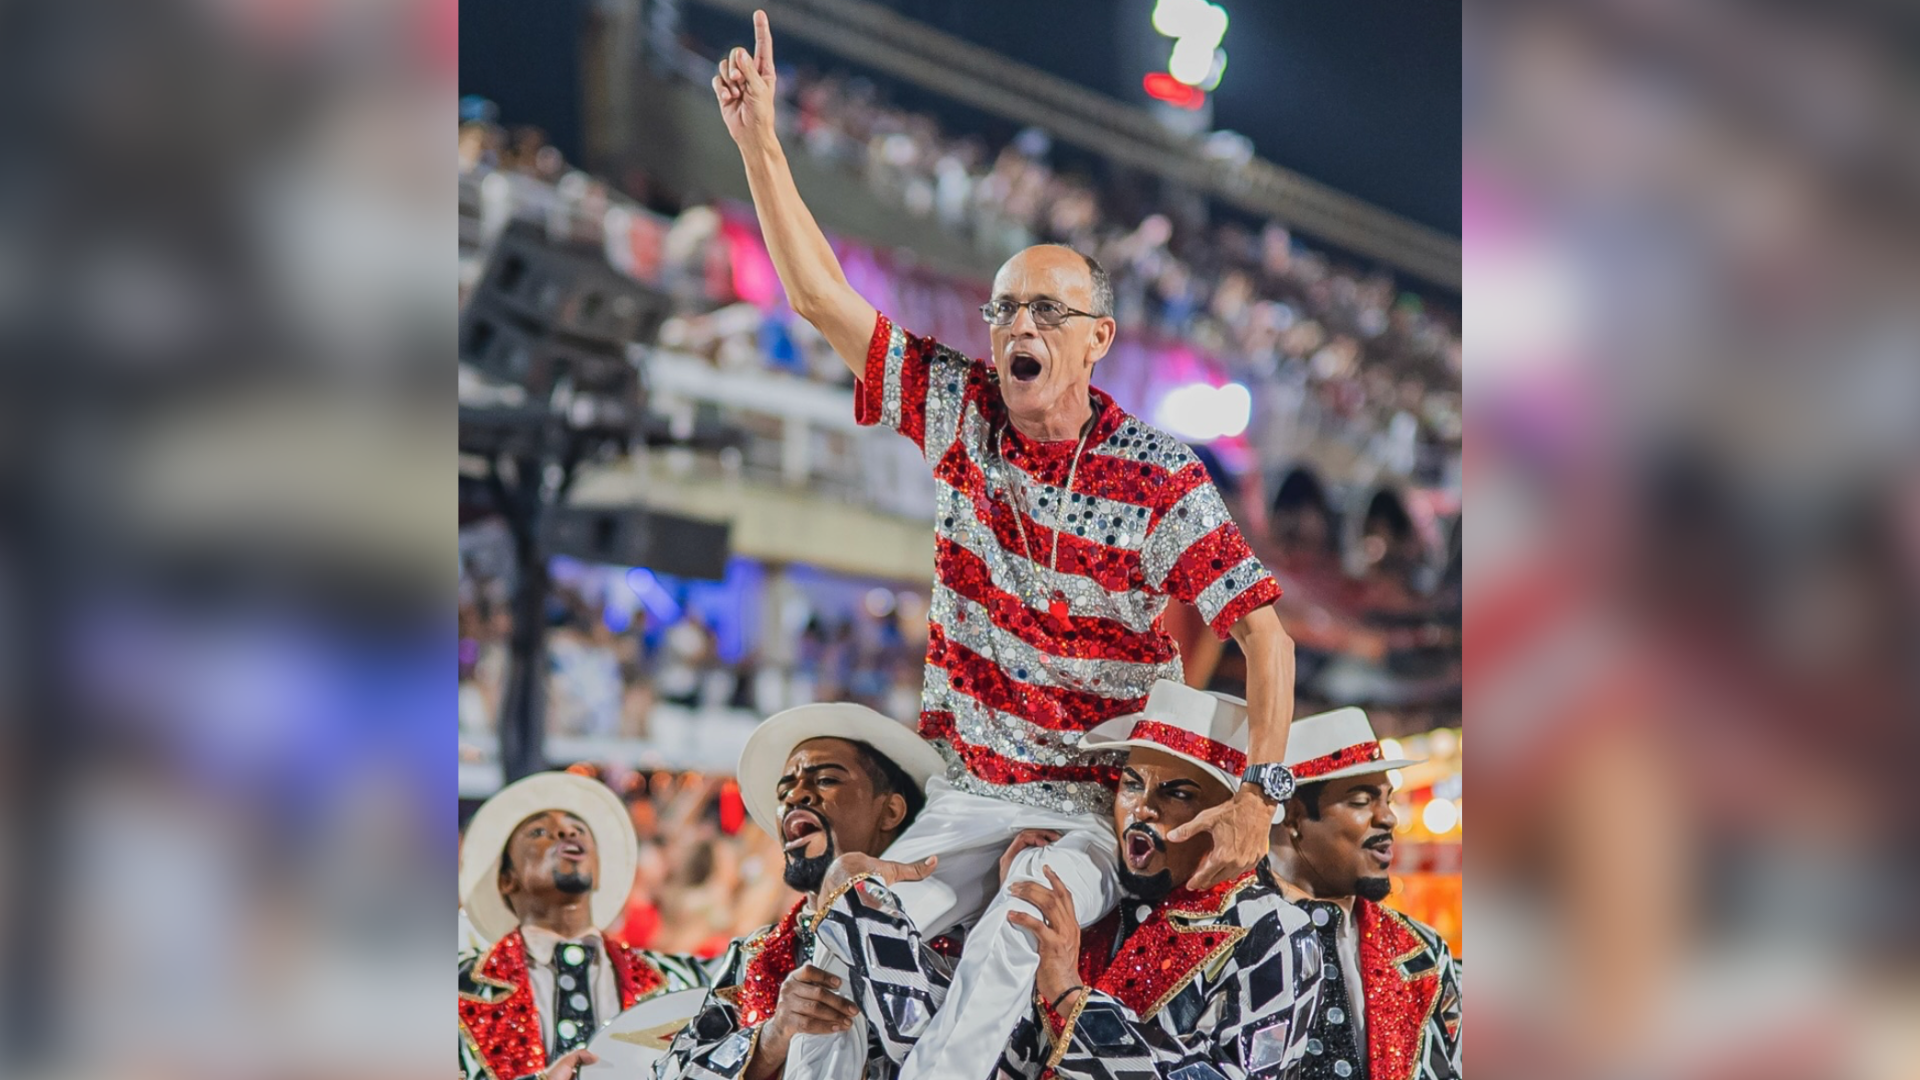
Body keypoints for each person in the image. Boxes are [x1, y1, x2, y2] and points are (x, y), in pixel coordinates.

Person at [712, 15, 1302, 1080]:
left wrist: (1262, 793)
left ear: (1097, 339)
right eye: (1004, 308)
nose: (1018, 325)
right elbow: (817, 295)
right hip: (967, 787)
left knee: (1015, 932)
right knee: (848, 925)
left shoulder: (1158, 474)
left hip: (1084, 806)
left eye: (1046, 310)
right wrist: (761, 145)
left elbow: (1265, 634)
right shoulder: (960, 409)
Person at [807, 680, 1325, 1078]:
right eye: (1131, 785)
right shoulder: (1097, 904)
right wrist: (865, 903)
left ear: (1227, 816)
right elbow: (959, 1043)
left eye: (1178, 794)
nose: (1142, 808)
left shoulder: (1276, 929)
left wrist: (1072, 1000)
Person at [656, 702, 953, 1080]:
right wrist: (772, 1037)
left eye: (826, 780)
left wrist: (851, 891)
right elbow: (671, 1073)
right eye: (784, 790)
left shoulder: (945, 932)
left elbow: (949, 1050)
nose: (795, 796)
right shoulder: (753, 956)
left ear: (891, 811)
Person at [458, 772, 716, 1080]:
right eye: (539, 832)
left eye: (578, 830)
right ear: (506, 879)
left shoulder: (682, 980)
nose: (566, 833)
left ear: (597, 870)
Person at [1269, 708, 1462, 1080]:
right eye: (1361, 801)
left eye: (1388, 800)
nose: (1388, 817)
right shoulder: (1227, 940)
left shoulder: (1422, 954)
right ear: (1293, 816)